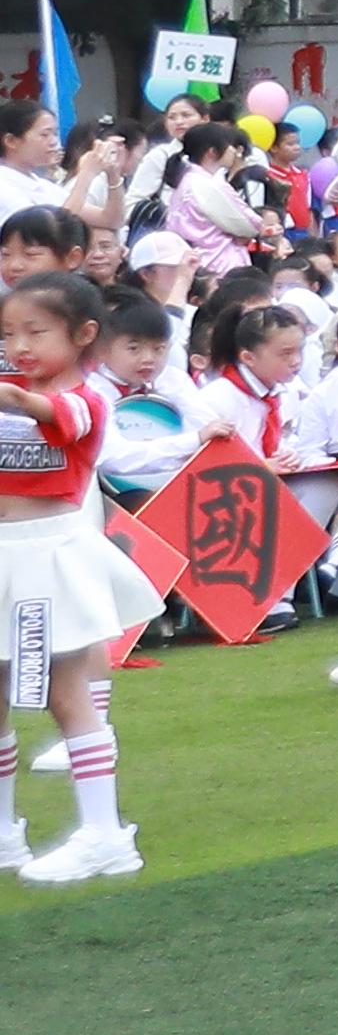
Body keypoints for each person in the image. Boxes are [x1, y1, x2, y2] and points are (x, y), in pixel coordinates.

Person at [0, 273, 150, 882]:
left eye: (35, 332)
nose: (20, 346)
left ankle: (104, 834)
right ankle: (6, 834)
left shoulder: (86, 398)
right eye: (8, 333)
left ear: (85, 335)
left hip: (48, 557)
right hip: (6, 554)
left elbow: (43, 410)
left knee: (67, 696)